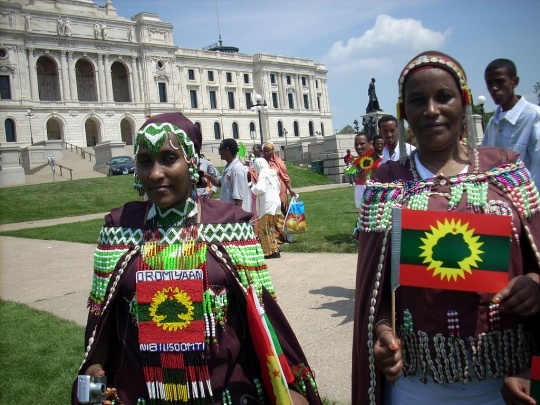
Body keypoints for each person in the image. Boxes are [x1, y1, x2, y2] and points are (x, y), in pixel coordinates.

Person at [71, 112, 321, 405]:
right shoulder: (120, 229)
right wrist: (92, 395)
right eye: (144, 161)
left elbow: (263, 324)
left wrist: (288, 392)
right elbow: (97, 345)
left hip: (226, 396)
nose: (154, 173)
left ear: (192, 162)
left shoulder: (231, 225)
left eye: (167, 159)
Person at [351, 51, 540, 405]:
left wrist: (535, 285)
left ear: (464, 101)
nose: (432, 110)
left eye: (444, 97)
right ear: (404, 111)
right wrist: (382, 332)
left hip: (505, 384)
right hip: (414, 385)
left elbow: (536, 258)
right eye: (418, 101)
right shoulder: (387, 183)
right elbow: (375, 290)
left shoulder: (506, 171)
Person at [481, 58, 540, 187]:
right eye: (489, 83)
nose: (494, 88)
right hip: (498, 201)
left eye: (500, 82)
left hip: (527, 201)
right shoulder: (493, 123)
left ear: (515, 82)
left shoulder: (533, 116)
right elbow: (483, 161)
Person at [262, 142, 297, 243]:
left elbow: (285, 176)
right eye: (264, 152)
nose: (266, 153)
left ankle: (285, 235)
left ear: (272, 151)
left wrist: (290, 189)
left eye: (268, 151)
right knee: (272, 214)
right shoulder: (263, 162)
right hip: (269, 192)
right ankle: (276, 237)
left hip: (280, 191)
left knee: (282, 213)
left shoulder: (278, 161)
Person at [206, 138, 251, 213]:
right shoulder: (228, 166)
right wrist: (207, 175)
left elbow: (238, 199)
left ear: (227, 150)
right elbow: (220, 183)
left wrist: (235, 218)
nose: (219, 152)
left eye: (220, 149)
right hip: (228, 213)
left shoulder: (237, 169)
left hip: (235, 216)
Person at [250, 158, 282, 259]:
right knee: (270, 227)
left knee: (264, 228)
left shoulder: (263, 174)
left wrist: (252, 187)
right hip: (275, 203)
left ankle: (268, 251)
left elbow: (260, 188)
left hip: (267, 204)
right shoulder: (272, 174)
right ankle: (274, 248)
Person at [352, 132, 373, 212]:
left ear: (370, 143)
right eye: (356, 144)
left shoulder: (379, 162)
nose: (359, 147)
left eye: (362, 143)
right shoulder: (359, 164)